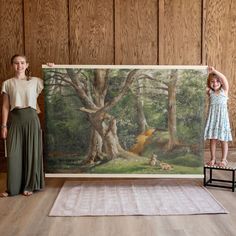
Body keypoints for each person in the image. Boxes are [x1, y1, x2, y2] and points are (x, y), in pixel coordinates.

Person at [0, 54, 53, 197]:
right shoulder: (7, 83)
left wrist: (51, 68)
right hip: (15, 119)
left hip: (31, 118)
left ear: (27, 65)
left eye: (22, 63)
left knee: (31, 152)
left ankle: (30, 185)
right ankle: (12, 189)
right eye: (16, 63)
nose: (20, 66)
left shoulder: (35, 81)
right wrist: (3, 126)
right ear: (12, 65)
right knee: (13, 154)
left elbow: (52, 81)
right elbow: (5, 106)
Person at [204, 66, 232, 167]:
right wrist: (203, 71)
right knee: (213, 139)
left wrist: (214, 71)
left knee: (223, 140)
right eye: (212, 81)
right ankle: (213, 159)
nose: (215, 83)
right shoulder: (209, 92)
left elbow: (224, 79)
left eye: (217, 81)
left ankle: (224, 160)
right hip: (213, 119)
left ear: (220, 82)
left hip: (222, 119)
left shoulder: (224, 91)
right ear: (209, 83)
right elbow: (201, 83)